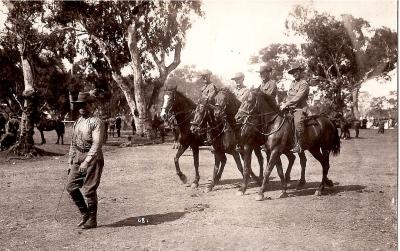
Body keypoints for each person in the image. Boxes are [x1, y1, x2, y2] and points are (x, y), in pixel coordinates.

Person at [66, 92, 105, 229]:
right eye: (79, 105)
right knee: (70, 186)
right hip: (78, 156)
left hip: (93, 158)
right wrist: (70, 161)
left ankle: (92, 220)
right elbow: (73, 143)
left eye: (84, 105)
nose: (81, 108)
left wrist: (86, 162)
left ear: (90, 105)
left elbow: (96, 144)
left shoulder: (96, 122)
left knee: (89, 190)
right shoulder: (78, 121)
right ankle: (85, 214)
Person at [280, 62, 310, 153]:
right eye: (293, 72)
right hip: (290, 109)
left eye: (296, 71)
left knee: (298, 123)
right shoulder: (292, 83)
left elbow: (298, 97)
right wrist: (283, 102)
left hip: (300, 109)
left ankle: (300, 145)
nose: (294, 74)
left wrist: (286, 104)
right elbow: (289, 95)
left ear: (300, 72)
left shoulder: (304, 83)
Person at [199, 69, 217, 145]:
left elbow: (209, 98)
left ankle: (209, 138)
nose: (204, 78)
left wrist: (202, 101)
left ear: (209, 76)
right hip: (203, 107)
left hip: (210, 107)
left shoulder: (212, 86)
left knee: (207, 117)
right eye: (203, 77)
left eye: (206, 76)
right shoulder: (203, 88)